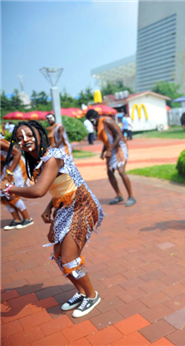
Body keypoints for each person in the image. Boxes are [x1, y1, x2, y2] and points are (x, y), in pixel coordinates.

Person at [0, 121, 104, 317]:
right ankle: (81, 292)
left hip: (82, 206)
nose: (25, 140)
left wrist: (7, 188)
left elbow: (39, 191)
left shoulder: (53, 157)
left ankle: (92, 295)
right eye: (20, 138)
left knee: (69, 258)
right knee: (58, 256)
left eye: (29, 135)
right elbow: (59, 186)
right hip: (64, 207)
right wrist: (50, 206)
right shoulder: (38, 161)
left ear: (39, 134)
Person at [85, 109, 136, 207]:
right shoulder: (99, 125)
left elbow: (118, 136)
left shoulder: (107, 121)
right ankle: (119, 195)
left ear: (94, 117)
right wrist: (103, 151)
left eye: (91, 120)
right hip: (111, 148)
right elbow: (107, 139)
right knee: (109, 172)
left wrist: (109, 150)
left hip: (119, 147)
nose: (91, 123)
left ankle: (131, 196)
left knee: (121, 171)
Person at [1, 135, 33, 230]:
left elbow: (17, 154)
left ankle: (27, 219)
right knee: (2, 195)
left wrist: (9, 173)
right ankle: (17, 219)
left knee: (10, 192)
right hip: (5, 166)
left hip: (16, 166)